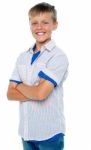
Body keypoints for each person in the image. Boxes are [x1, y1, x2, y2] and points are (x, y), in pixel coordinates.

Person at [7, 2, 69, 150]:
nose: (39, 27)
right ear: (29, 25)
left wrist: (20, 86)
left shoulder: (58, 57)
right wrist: (34, 90)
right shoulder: (22, 57)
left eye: (45, 22)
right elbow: (10, 93)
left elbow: (41, 94)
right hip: (26, 133)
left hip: (49, 135)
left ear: (55, 25)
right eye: (34, 23)